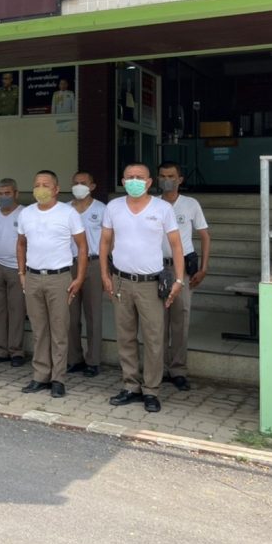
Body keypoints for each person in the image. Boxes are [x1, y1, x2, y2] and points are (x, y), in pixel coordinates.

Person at [100, 163, 185, 414]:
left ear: (149, 182)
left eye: (139, 177)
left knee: (153, 338)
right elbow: (105, 242)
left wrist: (179, 280)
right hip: (121, 280)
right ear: (123, 181)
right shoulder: (113, 207)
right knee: (125, 336)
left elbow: (176, 245)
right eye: (129, 177)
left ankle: (151, 390)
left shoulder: (162, 208)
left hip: (150, 283)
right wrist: (104, 274)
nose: (134, 181)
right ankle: (131, 386)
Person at [15, 170, 87, 398]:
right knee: (39, 330)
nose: (41, 189)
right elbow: (21, 244)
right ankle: (40, 375)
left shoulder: (68, 213)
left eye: (46, 185)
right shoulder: (26, 213)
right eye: (37, 184)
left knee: (59, 330)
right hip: (33, 277)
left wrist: (79, 277)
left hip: (59, 277)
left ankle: (58, 378)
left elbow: (82, 247)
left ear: (56, 189)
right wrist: (22, 272)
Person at [157, 161, 211, 392]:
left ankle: (178, 370)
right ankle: (157, 369)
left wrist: (203, 268)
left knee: (180, 319)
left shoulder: (190, 204)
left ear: (180, 179)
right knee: (157, 322)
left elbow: (205, 236)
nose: (166, 180)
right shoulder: (152, 204)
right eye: (162, 176)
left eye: (171, 176)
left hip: (182, 269)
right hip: (156, 268)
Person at [67, 171, 106, 377]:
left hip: (93, 263)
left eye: (83, 183)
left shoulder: (101, 209)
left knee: (93, 313)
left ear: (92, 186)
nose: (79, 186)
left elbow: (109, 239)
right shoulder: (64, 209)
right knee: (70, 315)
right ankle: (74, 358)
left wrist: (106, 267)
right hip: (69, 264)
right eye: (75, 183)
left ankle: (93, 360)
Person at [0, 178, 26, 367]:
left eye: (7, 193)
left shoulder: (25, 213)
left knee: (17, 309)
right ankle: (1, 349)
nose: (3, 197)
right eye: (0, 194)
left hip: (18, 268)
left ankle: (16, 351)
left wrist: (24, 269)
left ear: (16, 193)